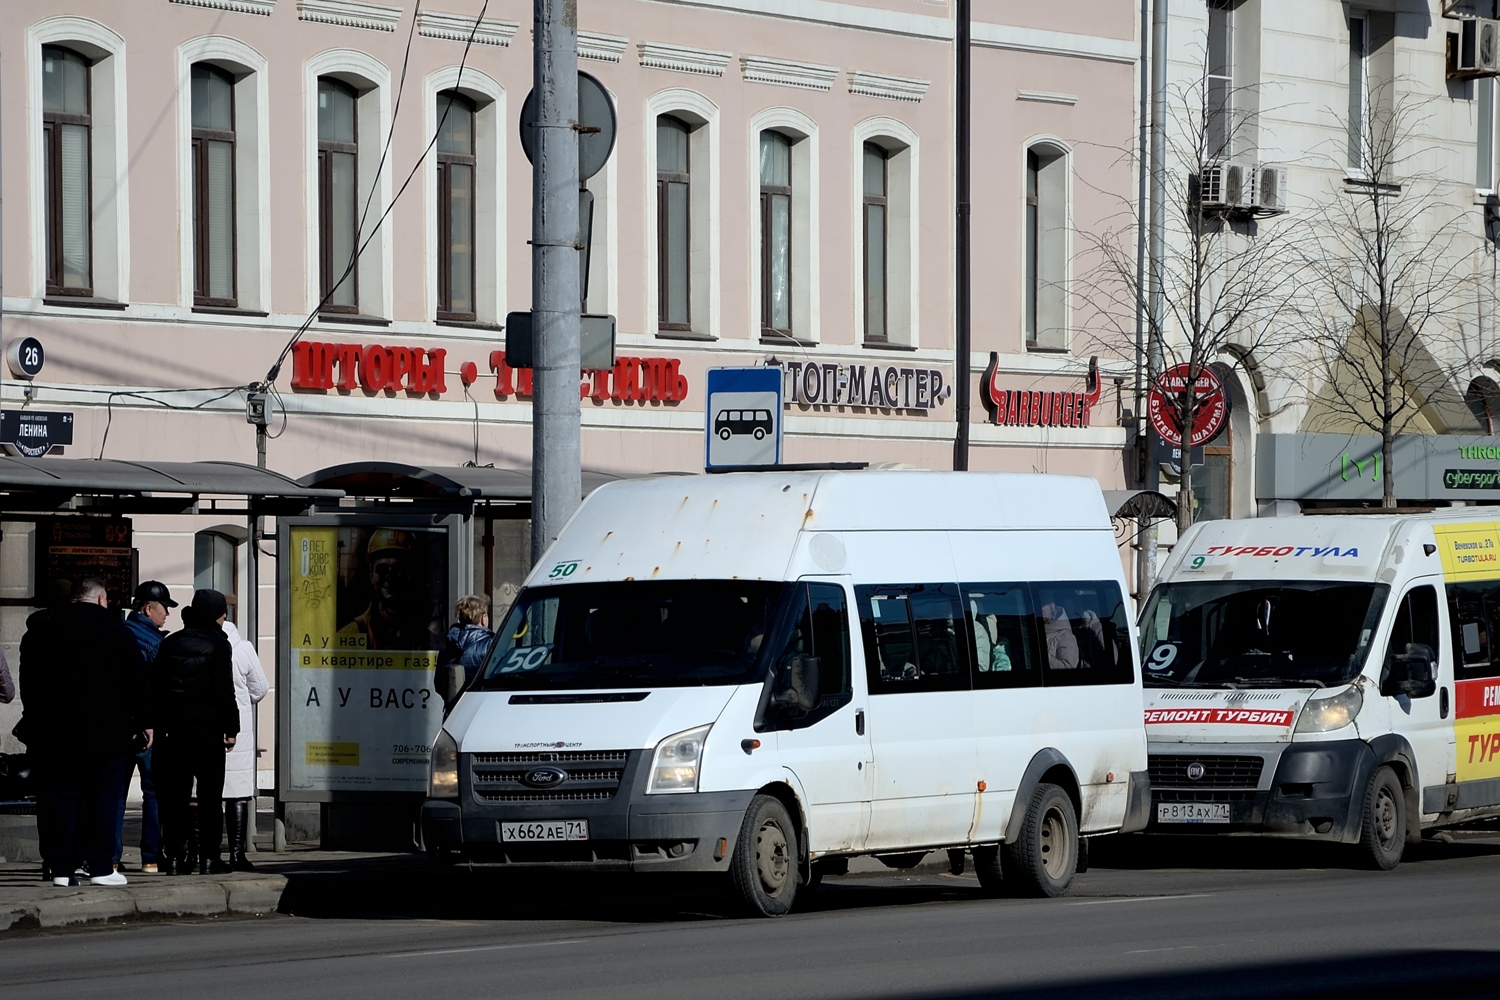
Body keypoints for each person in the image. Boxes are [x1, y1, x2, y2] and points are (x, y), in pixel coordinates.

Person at [15, 578, 151, 888]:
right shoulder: (117, 631)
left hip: (54, 733)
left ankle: (62, 869)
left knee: (61, 800)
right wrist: (145, 722)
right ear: (102, 600)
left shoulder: (43, 630)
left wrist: (35, 719)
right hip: (106, 732)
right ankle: (101, 867)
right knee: (102, 799)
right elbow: (137, 681)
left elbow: (29, 682)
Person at [151, 589, 238, 876]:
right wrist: (231, 728)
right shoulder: (218, 645)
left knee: (175, 796)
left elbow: (158, 689)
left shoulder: (170, 643)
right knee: (210, 797)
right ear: (216, 615)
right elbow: (224, 690)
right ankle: (210, 858)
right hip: (207, 730)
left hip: (173, 732)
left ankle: (175, 857)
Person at [116, 581, 176, 875]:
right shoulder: (156, 643)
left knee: (117, 793)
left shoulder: (118, 635)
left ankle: (112, 857)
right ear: (149, 608)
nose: (167, 615)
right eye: (165, 609)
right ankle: (150, 857)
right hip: (149, 728)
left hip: (119, 725)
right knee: (153, 792)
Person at [220, 618, 268, 871]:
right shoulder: (243, 648)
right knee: (237, 795)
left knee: (202, 794)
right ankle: (237, 854)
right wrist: (242, 701)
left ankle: (200, 852)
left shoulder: (195, 643)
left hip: (205, 725)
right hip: (239, 730)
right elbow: (260, 688)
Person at [337, 529, 434, 650]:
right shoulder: (351, 635)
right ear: (372, 575)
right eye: (382, 570)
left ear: (410, 574)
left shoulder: (425, 639)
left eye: (398, 570)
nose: (390, 578)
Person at [440, 594, 495, 686]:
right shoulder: (490, 644)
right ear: (483, 618)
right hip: (483, 698)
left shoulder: (448, 644)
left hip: (456, 699)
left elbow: (439, 682)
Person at [1040, 599, 1080, 671]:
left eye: (1043, 604)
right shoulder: (1029, 630)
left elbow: (1068, 668)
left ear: (1051, 607)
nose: (1040, 609)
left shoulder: (1065, 636)